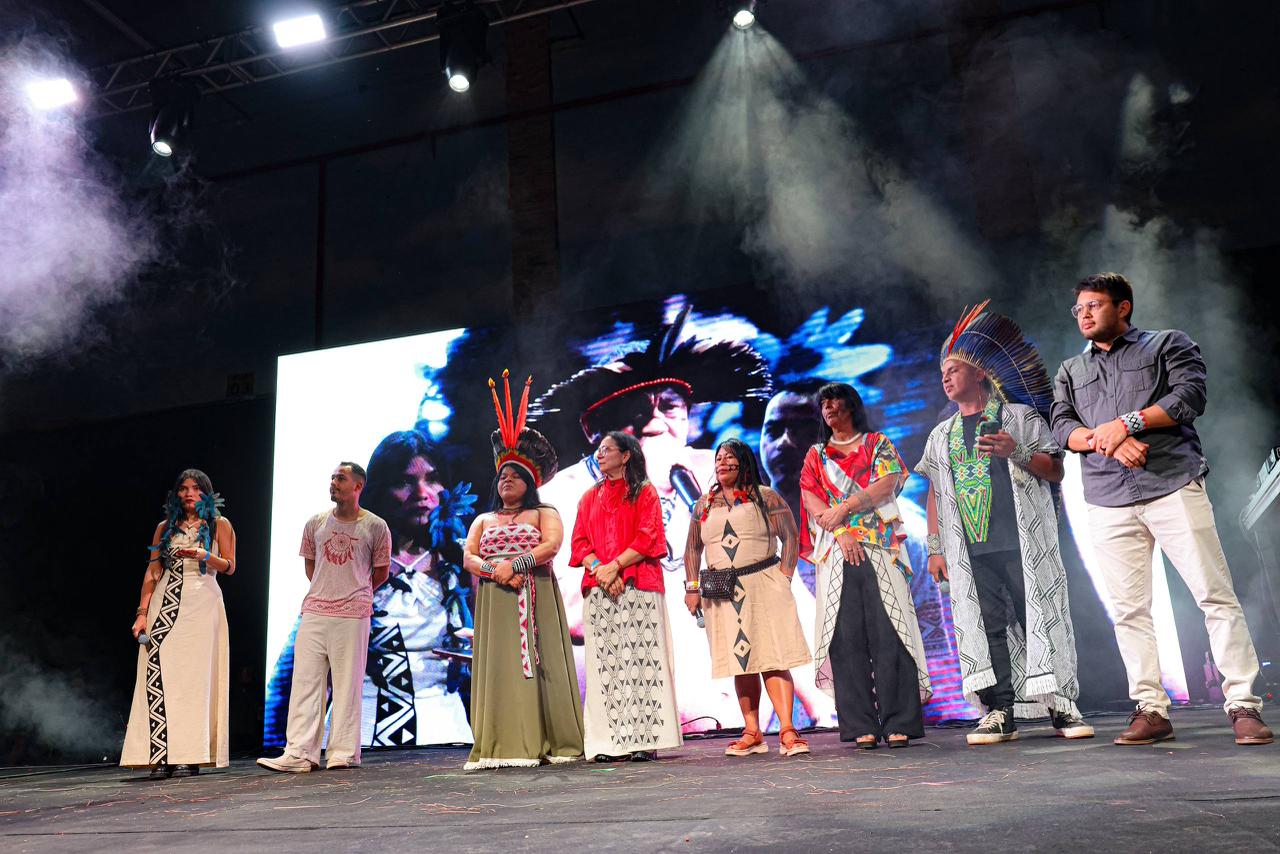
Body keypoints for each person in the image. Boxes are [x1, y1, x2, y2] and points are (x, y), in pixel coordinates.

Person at [532, 306, 835, 730]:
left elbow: (774, 586)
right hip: (626, 703)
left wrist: (822, 703)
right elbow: (566, 614)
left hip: (726, 706)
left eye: (671, 407)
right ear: (594, 431)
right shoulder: (560, 499)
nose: (656, 422)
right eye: (636, 412)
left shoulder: (713, 473)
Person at [1051, 273, 1272, 746]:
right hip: (1108, 497)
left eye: (1094, 305)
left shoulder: (1167, 343)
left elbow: (1190, 397)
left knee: (1214, 596)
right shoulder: (1071, 370)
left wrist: (1127, 423)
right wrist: (1110, 440)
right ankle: (1150, 709)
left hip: (1172, 483)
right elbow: (1062, 427)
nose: (1084, 314)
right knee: (1129, 611)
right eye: (1079, 309)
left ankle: (1243, 704)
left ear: (1123, 307)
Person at [915, 301, 1092, 746]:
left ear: (978, 372)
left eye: (954, 369)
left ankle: (1061, 704)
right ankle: (999, 711)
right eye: (943, 373)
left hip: (1020, 542)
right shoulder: (941, 435)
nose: (946, 378)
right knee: (987, 626)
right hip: (970, 550)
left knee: (1040, 618)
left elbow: (1056, 470)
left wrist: (1017, 451)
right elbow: (934, 491)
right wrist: (935, 547)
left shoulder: (1019, 417)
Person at [460, 372, 584, 769]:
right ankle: (500, 743)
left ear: (530, 482)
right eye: (502, 476)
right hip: (496, 602)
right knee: (499, 668)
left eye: (514, 476)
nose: (506, 481)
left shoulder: (544, 512)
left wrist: (516, 565)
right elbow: (469, 557)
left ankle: (549, 740)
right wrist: (496, 571)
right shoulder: (483, 520)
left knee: (541, 665)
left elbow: (551, 546)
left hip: (535, 596)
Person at [799, 383, 932, 748]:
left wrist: (845, 506)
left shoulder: (877, 443)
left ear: (852, 406)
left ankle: (899, 721)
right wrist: (841, 529)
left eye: (834, 400)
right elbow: (811, 498)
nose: (828, 407)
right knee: (844, 637)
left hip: (880, 545)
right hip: (836, 549)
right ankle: (861, 725)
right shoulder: (815, 455)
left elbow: (887, 484)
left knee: (890, 630)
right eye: (823, 403)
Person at [258, 462, 392, 772]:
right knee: (305, 682)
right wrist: (328, 591)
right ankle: (300, 753)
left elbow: (382, 571)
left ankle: (342, 753)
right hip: (316, 611)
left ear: (357, 486)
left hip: (354, 615)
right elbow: (311, 566)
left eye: (340, 478)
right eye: (332, 478)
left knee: (347, 684)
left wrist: (356, 593)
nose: (333, 483)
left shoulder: (375, 526)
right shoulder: (315, 523)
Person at [683, 439, 813, 757]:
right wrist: (692, 587)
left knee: (773, 657)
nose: (722, 462)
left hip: (764, 583)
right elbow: (692, 549)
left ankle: (788, 729)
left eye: (730, 457)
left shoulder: (765, 497)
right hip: (722, 590)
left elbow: (791, 536)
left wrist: (784, 577)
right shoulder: (704, 505)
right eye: (719, 457)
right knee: (741, 661)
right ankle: (752, 731)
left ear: (744, 462)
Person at [570, 431, 683, 761]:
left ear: (626, 455)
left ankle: (644, 741)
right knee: (607, 666)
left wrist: (615, 566)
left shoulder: (645, 492)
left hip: (640, 584)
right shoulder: (588, 497)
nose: (600, 454)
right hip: (600, 588)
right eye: (598, 450)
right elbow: (579, 543)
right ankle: (608, 743)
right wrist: (601, 570)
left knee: (642, 662)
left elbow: (648, 538)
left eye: (606, 449)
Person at [360, 430, 476, 747]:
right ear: (379, 492)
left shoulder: (465, 558)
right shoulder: (355, 560)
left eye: (432, 479)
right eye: (404, 482)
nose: (422, 493)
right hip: (364, 727)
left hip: (445, 727)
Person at [121, 469, 236, 779]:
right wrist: (142, 613)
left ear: (206, 493)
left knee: (195, 679)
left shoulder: (219, 524)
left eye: (196, 488)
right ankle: (160, 754)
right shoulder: (165, 528)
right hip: (166, 602)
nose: (189, 494)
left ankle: (190, 754)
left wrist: (205, 555)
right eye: (184, 488)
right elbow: (152, 571)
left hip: (202, 602)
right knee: (159, 669)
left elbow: (229, 565)